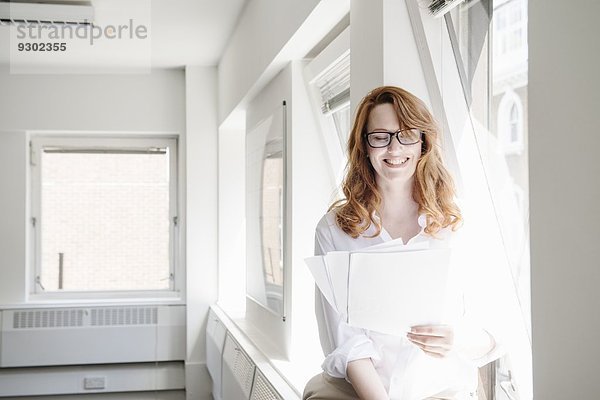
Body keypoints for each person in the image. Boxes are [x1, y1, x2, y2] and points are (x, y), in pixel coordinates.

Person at [303, 86, 503, 400]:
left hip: (443, 390)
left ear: (423, 142)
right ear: (364, 146)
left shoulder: (460, 222)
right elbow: (347, 343)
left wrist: (456, 339)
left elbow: (495, 331)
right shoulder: (334, 230)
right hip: (362, 391)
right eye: (380, 136)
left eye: (407, 134)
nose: (394, 149)